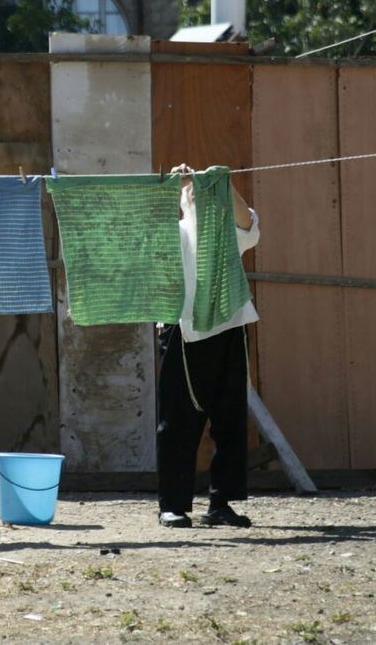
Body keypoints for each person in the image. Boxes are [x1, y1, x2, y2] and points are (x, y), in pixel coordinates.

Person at [157, 164, 260, 528]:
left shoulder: (228, 233)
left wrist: (220, 183)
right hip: (181, 329)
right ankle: (172, 504)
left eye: (201, 190)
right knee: (177, 421)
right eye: (191, 191)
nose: (195, 191)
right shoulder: (174, 231)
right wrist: (176, 184)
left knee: (230, 419)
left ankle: (222, 503)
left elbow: (248, 220)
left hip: (229, 328)